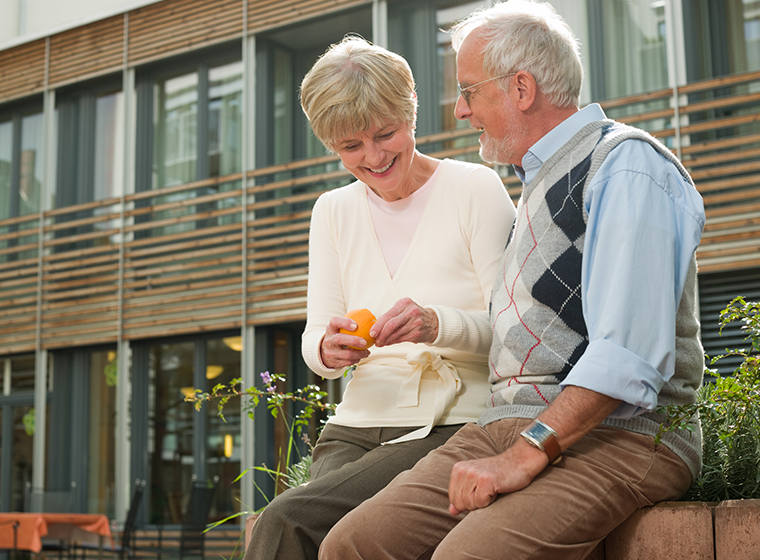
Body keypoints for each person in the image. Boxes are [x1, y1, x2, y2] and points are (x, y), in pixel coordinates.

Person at [318, 2, 707, 560]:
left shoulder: (626, 166)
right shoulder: (536, 183)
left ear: (521, 88)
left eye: (469, 91)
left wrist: (527, 451)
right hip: (505, 423)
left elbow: (627, 357)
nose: (458, 111)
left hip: (622, 434)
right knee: (351, 545)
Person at [243, 36, 516, 560]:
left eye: (385, 134)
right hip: (355, 425)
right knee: (309, 534)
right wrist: (327, 350)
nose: (373, 157)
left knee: (287, 521)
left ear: (410, 115)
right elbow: (314, 337)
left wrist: (436, 324)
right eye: (350, 147)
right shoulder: (332, 211)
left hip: (452, 422)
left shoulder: (474, 190)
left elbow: (519, 332)